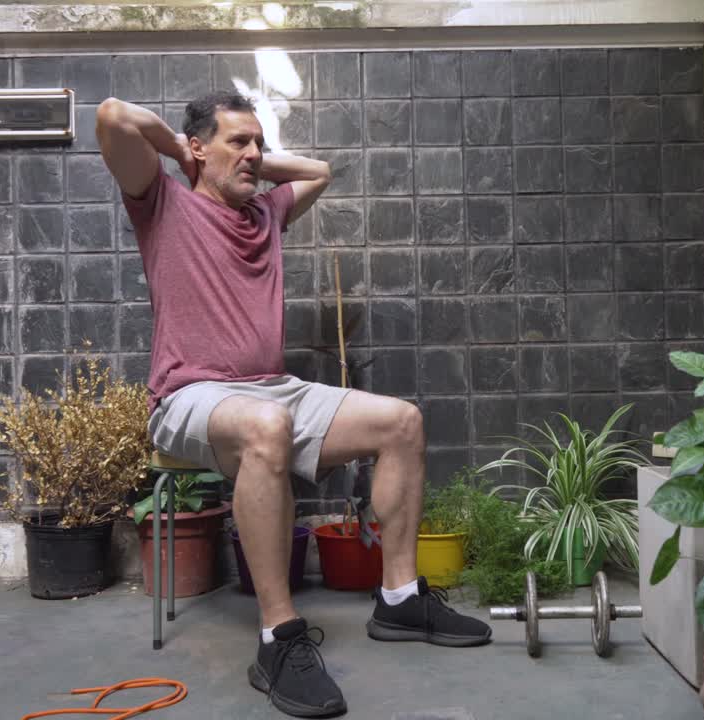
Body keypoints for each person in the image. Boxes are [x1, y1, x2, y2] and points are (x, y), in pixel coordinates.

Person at [95, 92, 491, 717]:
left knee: (401, 422)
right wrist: (181, 156)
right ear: (198, 148)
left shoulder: (267, 213)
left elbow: (318, 171)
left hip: (272, 388)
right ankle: (278, 638)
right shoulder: (163, 203)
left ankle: (400, 597)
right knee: (267, 427)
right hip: (190, 394)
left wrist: (245, 164)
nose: (255, 154)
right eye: (238, 142)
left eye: (260, 143)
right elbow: (114, 115)